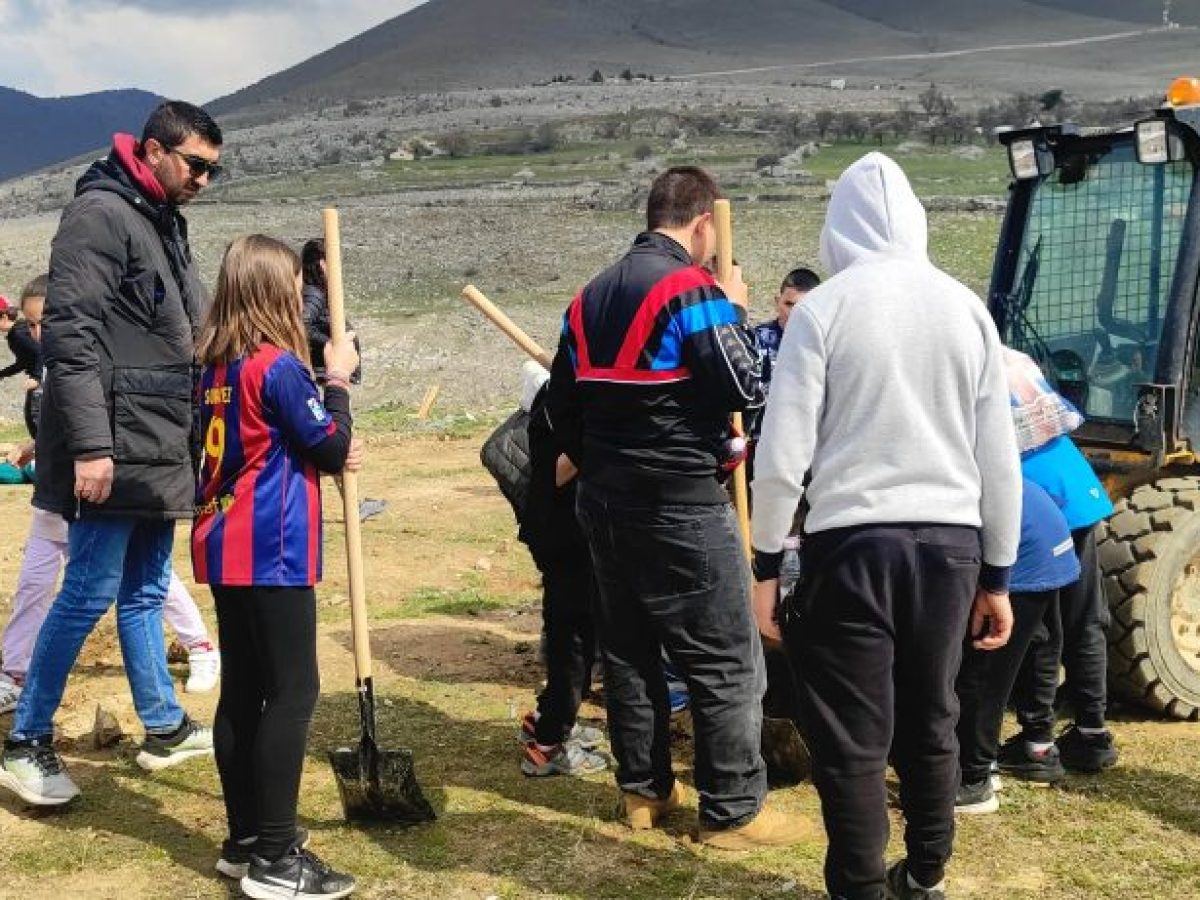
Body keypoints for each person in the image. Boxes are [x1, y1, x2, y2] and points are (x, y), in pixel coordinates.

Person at [751, 153, 1021, 900]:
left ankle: (861, 886)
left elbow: (781, 458)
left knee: (852, 735)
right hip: (951, 547)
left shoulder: (824, 310)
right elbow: (998, 460)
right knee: (933, 715)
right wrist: (998, 576)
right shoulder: (965, 309)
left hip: (853, 545)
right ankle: (926, 872)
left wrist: (766, 565)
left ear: (837, 229)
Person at [546, 165, 809, 849]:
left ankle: (644, 791)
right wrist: (735, 309)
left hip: (605, 503)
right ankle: (733, 811)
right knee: (727, 657)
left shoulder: (587, 297)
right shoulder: (695, 292)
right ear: (702, 226)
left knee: (629, 652)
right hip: (680, 504)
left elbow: (558, 406)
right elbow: (745, 387)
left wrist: (601, 459)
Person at [0, 101, 222, 808]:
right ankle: (26, 742)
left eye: (214, 170)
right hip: (115, 442)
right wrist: (92, 447)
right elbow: (70, 338)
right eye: (196, 165)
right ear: (153, 151)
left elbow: (183, 327)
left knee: (148, 588)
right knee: (88, 589)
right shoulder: (99, 215)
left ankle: (163, 726)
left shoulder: (162, 220)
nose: (204, 180)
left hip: (160, 438)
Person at [193, 234, 360, 899]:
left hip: (224, 540)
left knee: (243, 690)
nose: (301, 293)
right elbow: (330, 445)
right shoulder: (277, 367)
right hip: (273, 545)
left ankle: (244, 841)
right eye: (293, 283)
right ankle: (277, 856)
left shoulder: (213, 365)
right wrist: (337, 379)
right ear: (271, 289)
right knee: (294, 692)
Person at [954, 478, 1079, 814]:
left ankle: (974, 780)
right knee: (1035, 646)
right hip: (1044, 533)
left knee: (980, 668)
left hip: (1020, 546)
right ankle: (1027, 750)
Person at [510, 363, 606, 777]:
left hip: (566, 529)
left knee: (577, 631)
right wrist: (600, 438)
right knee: (575, 637)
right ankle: (549, 744)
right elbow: (556, 471)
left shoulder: (568, 394)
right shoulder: (558, 402)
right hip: (564, 534)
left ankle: (547, 717)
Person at [1005, 432, 1117, 779]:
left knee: (1041, 625)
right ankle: (1091, 734)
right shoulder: (1023, 390)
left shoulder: (977, 393)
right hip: (1074, 486)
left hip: (1039, 499)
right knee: (1084, 618)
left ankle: (1037, 744)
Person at [300, 238, 383, 524]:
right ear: (322, 264)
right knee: (337, 438)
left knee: (338, 438)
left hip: (330, 374)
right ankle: (352, 505)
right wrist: (331, 345)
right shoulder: (313, 293)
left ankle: (352, 503)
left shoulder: (319, 291)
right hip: (327, 375)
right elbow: (301, 326)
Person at [752, 267, 821, 397]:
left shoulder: (825, 344)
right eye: (789, 304)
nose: (793, 313)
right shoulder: (757, 339)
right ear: (777, 302)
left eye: (803, 307)